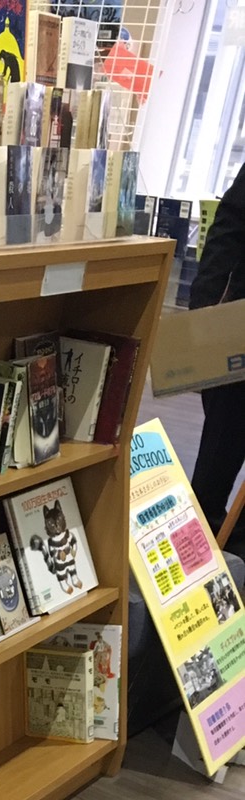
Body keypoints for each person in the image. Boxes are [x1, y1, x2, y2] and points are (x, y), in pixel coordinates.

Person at [190, 166, 245, 534]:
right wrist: (204, 306)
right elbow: (230, 226)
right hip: (240, 330)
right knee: (220, 451)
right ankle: (203, 537)